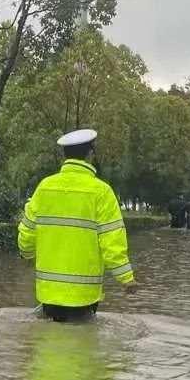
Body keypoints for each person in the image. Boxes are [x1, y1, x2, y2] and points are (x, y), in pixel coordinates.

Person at [17, 129, 136, 321]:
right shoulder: (102, 192)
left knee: (48, 345)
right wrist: (126, 278)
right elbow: (112, 241)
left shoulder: (44, 187)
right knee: (82, 346)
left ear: (65, 154)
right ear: (90, 155)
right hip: (84, 296)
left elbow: (27, 230)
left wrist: (26, 253)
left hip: (49, 293)